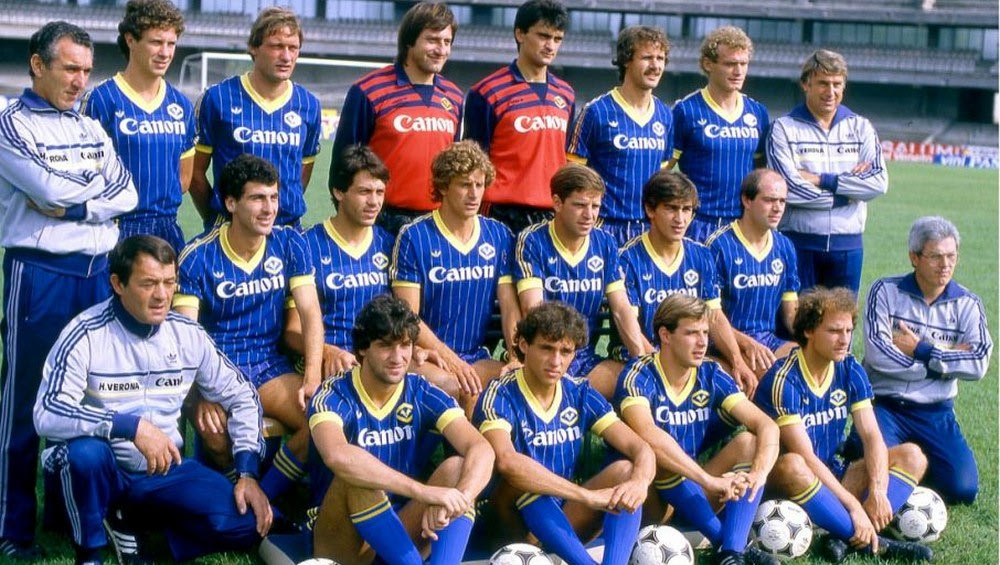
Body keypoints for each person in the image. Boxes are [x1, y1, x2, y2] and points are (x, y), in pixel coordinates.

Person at [33, 235, 270, 565]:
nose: (162, 295)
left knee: (248, 523)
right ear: (118, 284)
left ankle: (131, 529)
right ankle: (90, 551)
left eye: (169, 283)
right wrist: (131, 427)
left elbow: (242, 395)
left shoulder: (187, 334)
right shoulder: (85, 333)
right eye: (148, 284)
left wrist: (246, 472)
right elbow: (47, 412)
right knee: (85, 455)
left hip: (162, 474)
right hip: (100, 471)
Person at [0, 21, 137, 558]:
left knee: (90, 396)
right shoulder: (12, 124)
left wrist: (78, 207)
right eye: (70, 68)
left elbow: (125, 191)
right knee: (26, 401)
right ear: (38, 65)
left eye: (87, 70)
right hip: (41, 274)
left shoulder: (90, 126)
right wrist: (89, 195)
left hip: (99, 274)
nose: (81, 81)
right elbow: (45, 189)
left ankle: (68, 512)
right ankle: (13, 527)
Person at [175, 154, 323, 501]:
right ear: (231, 203)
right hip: (217, 372)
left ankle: (269, 495)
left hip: (269, 367)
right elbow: (184, 339)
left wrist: (313, 376)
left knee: (322, 421)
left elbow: (311, 313)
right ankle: (239, 497)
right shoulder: (197, 257)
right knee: (216, 435)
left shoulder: (289, 243)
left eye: (273, 197)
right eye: (257, 198)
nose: (269, 208)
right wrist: (197, 398)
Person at [308, 294, 495, 565]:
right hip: (345, 540)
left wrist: (459, 499)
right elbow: (337, 455)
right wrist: (423, 492)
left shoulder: (421, 391)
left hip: (403, 526)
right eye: (385, 345)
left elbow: (481, 448)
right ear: (363, 348)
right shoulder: (334, 393)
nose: (398, 357)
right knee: (357, 478)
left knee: (457, 469)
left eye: (405, 345)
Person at [755, 288, 932, 563]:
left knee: (913, 456)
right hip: (786, 479)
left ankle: (839, 535)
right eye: (835, 331)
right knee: (793, 464)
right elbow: (805, 457)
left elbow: (872, 436)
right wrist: (853, 506)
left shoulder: (849, 368)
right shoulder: (784, 379)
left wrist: (877, 490)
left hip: (831, 472)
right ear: (809, 331)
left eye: (849, 331)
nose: (845, 339)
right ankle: (871, 541)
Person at [474, 301, 655, 565]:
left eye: (566, 351)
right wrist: (586, 496)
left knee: (626, 472)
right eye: (547, 348)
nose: (556, 361)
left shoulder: (579, 392)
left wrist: (639, 481)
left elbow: (640, 448)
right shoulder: (499, 394)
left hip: (563, 518)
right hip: (509, 522)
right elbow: (508, 462)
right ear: (523, 345)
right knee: (522, 481)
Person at [614, 295, 780, 565]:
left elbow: (766, 425)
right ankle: (725, 543)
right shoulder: (638, 375)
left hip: (693, 493)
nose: (703, 342)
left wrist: (757, 475)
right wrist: (708, 480)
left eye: (705, 332)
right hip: (645, 498)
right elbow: (648, 434)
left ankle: (732, 551)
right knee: (659, 455)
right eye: (692, 333)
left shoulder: (710, 373)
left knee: (749, 443)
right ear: (665, 335)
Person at [855, 216, 991, 504]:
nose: (946, 265)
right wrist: (947, 360)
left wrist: (922, 350)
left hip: (936, 411)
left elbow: (978, 364)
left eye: (952, 256)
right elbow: (879, 356)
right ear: (914, 258)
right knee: (870, 470)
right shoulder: (885, 291)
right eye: (936, 256)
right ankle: (869, 450)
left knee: (962, 489)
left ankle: (912, 465)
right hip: (886, 404)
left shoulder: (968, 304)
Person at [391, 141, 521, 401]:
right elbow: (408, 316)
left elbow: (508, 306)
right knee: (461, 388)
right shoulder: (414, 236)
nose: (474, 194)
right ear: (443, 186)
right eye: (464, 185)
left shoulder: (498, 235)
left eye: (479, 185)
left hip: (476, 356)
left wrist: (516, 357)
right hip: (425, 355)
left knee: (520, 382)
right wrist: (452, 361)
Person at [515, 163, 651, 399]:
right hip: (547, 357)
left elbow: (621, 308)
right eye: (580, 205)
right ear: (557, 203)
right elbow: (533, 311)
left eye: (595, 206)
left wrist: (640, 360)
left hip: (587, 361)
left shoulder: (605, 242)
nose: (589, 215)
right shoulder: (532, 240)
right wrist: (560, 363)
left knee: (641, 385)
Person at [619, 169, 756, 395]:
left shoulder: (701, 255)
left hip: (690, 357)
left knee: (746, 377)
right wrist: (658, 368)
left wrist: (737, 361)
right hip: (644, 359)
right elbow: (630, 325)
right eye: (671, 208)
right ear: (650, 210)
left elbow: (714, 316)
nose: (680, 219)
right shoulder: (627, 259)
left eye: (686, 209)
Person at [332, 2, 463, 235]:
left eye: (447, 42)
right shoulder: (369, 91)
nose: (441, 50)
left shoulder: (454, 96)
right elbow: (343, 165)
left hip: (436, 224)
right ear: (410, 41)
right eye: (432, 40)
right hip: (382, 221)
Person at [767, 49, 887, 295]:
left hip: (848, 246)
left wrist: (822, 180)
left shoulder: (861, 127)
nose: (830, 92)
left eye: (836, 84)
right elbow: (789, 189)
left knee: (842, 318)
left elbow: (878, 183)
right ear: (805, 84)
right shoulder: (783, 128)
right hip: (798, 243)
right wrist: (847, 195)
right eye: (823, 83)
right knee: (797, 316)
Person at [190, 6, 321, 228]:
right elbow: (195, 172)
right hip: (232, 228)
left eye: (293, 48)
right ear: (254, 47)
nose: (286, 56)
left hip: (287, 230)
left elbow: (302, 172)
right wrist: (215, 218)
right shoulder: (217, 98)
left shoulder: (309, 104)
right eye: (277, 46)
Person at [82, 0, 194, 253]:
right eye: (156, 42)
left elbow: (184, 179)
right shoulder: (102, 99)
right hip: (116, 227)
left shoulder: (181, 104)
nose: (165, 52)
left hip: (167, 229)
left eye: (171, 43)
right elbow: (85, 173)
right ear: (131, 40)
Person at [465, 0, 574, 234]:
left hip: (550, 212)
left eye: (557, 39)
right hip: (500, 212)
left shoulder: (566, 94)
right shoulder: (487, 92)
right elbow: (473, 161)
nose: (550, 46)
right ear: (520, 34)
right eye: (543, 36)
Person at [566, 26, 673, 247]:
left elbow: (662, 174)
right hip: (603, 226)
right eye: (647, 58)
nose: (655, 66)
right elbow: (572, 175)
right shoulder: (596, 112)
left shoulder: (665, 115)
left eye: (660, 58)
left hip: (648, 228)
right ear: (626, 60)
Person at [669, 26, 769, 244]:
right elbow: (663, 170)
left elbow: (761, 171)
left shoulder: (758, 112)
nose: (738, 71)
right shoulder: (685, 111)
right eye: (730, 64)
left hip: (742, 223)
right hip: (698, 223)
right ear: (708, 64)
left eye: (743, 64)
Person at [706, 169, 800, 377]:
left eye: (782, 201)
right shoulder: (718, 246)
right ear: (747, 200)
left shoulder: (785, 246)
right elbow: (710, 315)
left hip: (768, 341)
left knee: (811, 361)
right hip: (726, 342)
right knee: (772, 375)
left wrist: (814, 339)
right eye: (769, 200)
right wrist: (745, 345)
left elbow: (791, 312)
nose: (777, 208)